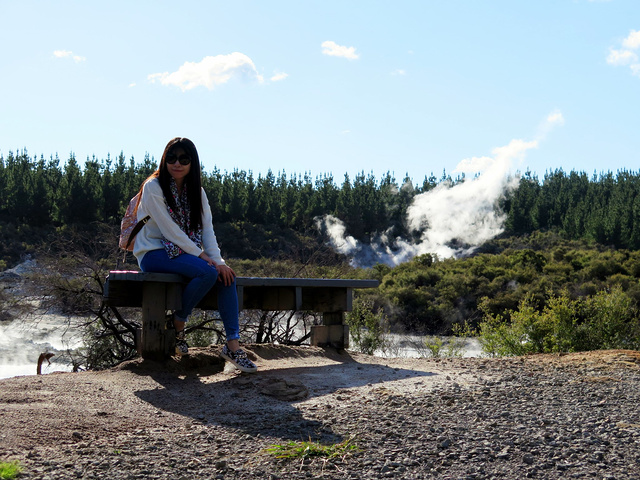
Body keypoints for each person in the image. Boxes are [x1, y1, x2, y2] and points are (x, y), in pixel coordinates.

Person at [132, 137, 257, 373]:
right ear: (164, 159)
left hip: (184, 253)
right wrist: (202, 257)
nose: (176, 163)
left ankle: (232, 345)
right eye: (171, 158)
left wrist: (219, 262)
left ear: (193, 163)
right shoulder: (153, 187)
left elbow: (207, 230)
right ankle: (179, 321)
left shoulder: (197, 192)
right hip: (153, 252)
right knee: (207, 271)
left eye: (184, 159)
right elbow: (170, 230)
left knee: (225, 275)